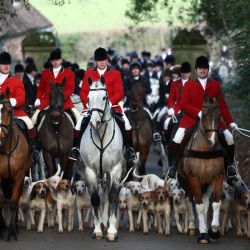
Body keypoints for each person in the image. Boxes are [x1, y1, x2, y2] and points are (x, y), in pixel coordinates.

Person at [167, 56, 245, 190]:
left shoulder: (215, 85)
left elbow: (223, 106)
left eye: (205, 69)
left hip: (213, 121)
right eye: (200, 69)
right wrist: (197, 113)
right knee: (177, 138)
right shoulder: (189, 84)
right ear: (196, 70)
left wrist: (230, 122)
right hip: (191, 119)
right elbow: (184, 104)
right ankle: (173, 167)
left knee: (230, 139)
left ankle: (230, 168)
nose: (202, 71)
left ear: (208, 70)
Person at [69, 47, 137, 162]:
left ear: (107, 60)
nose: (102, 63)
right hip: (93, 107)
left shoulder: (115, 73)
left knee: (127, 124)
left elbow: (120, 92)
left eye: (104, 60)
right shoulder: (89, 74)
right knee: (78, 124)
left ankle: (129, 149)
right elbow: (84, 92)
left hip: (112, 105)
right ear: (96, 61)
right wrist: (88, 104)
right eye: (99, 60)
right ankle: (76, 149)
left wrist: (110, 102)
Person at [0, 52, 39, 162]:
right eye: (3, 64)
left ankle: (33, 151)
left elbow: (22, 98)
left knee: (30, 124)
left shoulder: (16, 80)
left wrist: (13, 101)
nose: (6, 66)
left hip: (15, 112)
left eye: (8, 63)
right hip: (0, 114)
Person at [31, 48, 80, 125]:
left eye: (57, 60)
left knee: (78, 118)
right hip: (47, 101)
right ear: (51, 61)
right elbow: (41, 89)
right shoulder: (45, 73)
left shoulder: (69, 73)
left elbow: (70, 88)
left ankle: (77, 136)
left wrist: (61, 97)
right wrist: (38, 98)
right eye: (53, 60)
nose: (55, 62)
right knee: (33, 120)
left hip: (65, 101)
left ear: (61, 60)